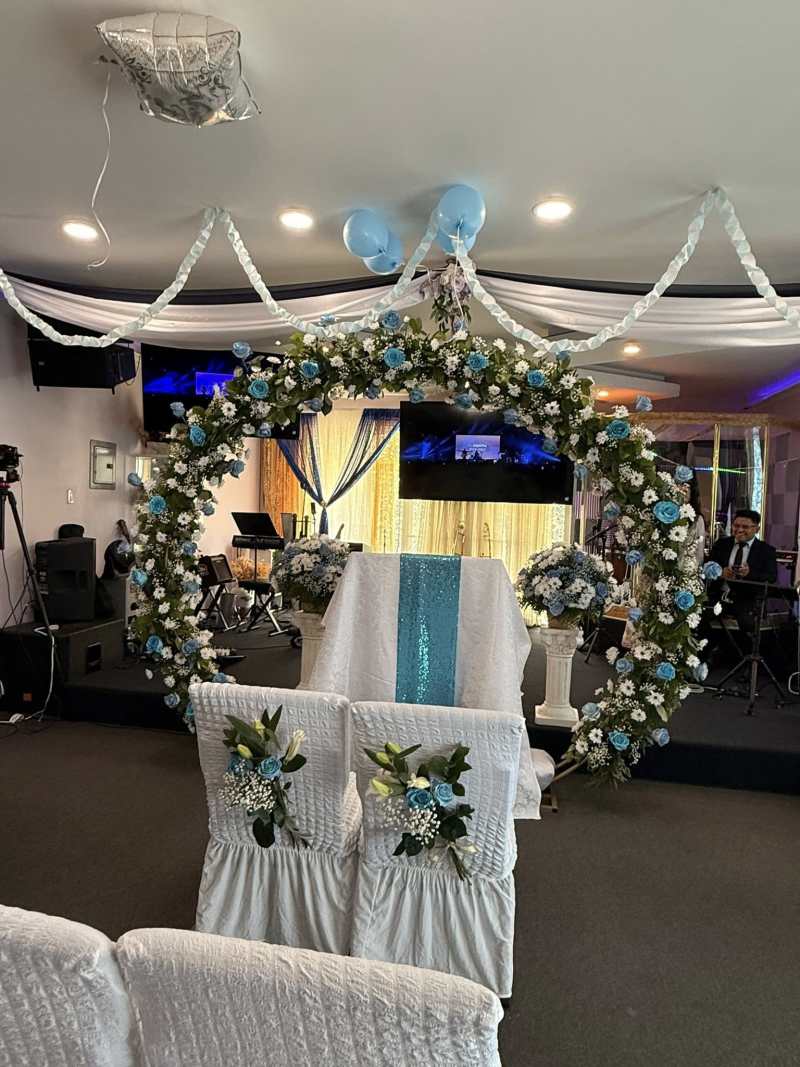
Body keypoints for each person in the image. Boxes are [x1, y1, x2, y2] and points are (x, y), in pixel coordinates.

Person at [702, 509, 777, 652]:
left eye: (745, 527)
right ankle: (706, 655)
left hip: (747, 600)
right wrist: (720, 572)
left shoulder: (766, 551)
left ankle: (744, 658)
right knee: (699, 617)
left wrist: (749, 574)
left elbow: (771, 578)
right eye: (736, 526)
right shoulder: (721, 544)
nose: (740, 530)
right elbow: (707, 567)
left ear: (756, 529)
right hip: (719, 597)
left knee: (747, 624)